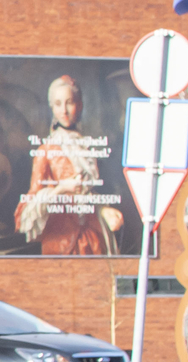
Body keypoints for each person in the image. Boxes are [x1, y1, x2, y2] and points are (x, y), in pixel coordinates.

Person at [12, 74, 119, 256]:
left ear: (80, 105)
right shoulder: (45, 150)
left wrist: (104, 210)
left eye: (69, 102)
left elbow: (89, 195)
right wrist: (61, 188)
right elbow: (27, 210)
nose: (65, 110)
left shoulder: (87, 144)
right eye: (58, 104)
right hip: (60, 242)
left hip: (93, 238)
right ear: (52, 108)